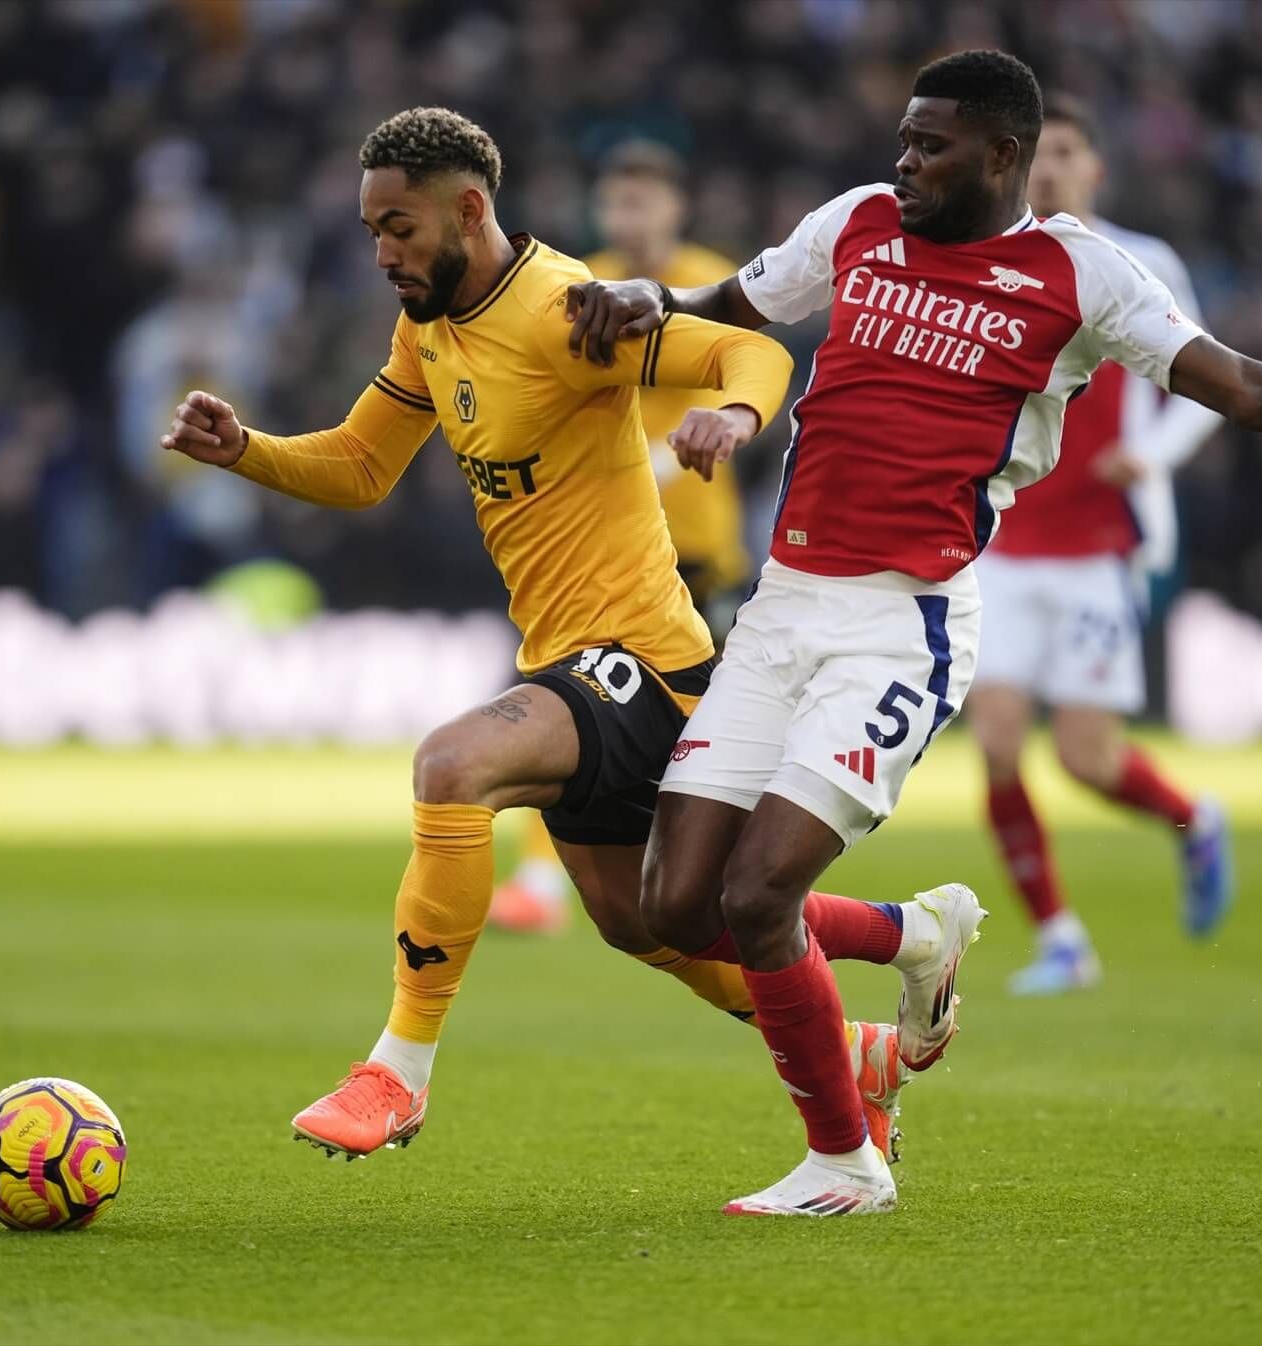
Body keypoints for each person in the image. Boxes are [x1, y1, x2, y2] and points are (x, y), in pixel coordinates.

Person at [564, 49, 1262, 1216]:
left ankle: (845, 1163)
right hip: (781, 608)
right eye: (903, 140)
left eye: (931, 145)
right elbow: (735, 305)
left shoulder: (1082, 275)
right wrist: (651, 302)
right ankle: (918, 935)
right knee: (673, 905)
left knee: (758, 896)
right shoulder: (858, 222)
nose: (902, 163)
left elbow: (1249, 389)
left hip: (900, 625)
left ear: (1002, 154)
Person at [159, 107, 944, 1166]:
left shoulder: (564, 311)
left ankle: (397, 1069)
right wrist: (245, 449)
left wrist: (736, 420)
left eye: (398, 228)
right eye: (371, 230)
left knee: (454, 762)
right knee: (645, 922)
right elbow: (361, 466)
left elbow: (749, 353)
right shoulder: (428, 324)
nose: (382, 252)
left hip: (644, 660)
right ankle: (879, 996)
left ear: (467, 209)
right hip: (566, 657)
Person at [968, 95, 1230, 996]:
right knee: (997, 741)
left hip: (1094, 547)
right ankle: (1062, 941)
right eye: (1039, 152)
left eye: (1068, 153)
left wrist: (1146, 455)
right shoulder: (990, 254)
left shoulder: (1141, 263)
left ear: (1095, 169)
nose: (1051, 168)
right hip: (1001, 540)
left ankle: (1193, 820)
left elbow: (1209, 383)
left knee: (1086, 757)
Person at [490, 140, 753, 937]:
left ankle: (717, 868)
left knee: (704, 730)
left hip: (695, 550)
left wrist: (662, 465)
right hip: (601, 551)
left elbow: (738, 381)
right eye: (617, 200)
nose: (628, 215)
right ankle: (543, 877)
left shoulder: (710, 281)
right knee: (570, 709)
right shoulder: (577, 284)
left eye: (643, 200)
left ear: (676, 207)